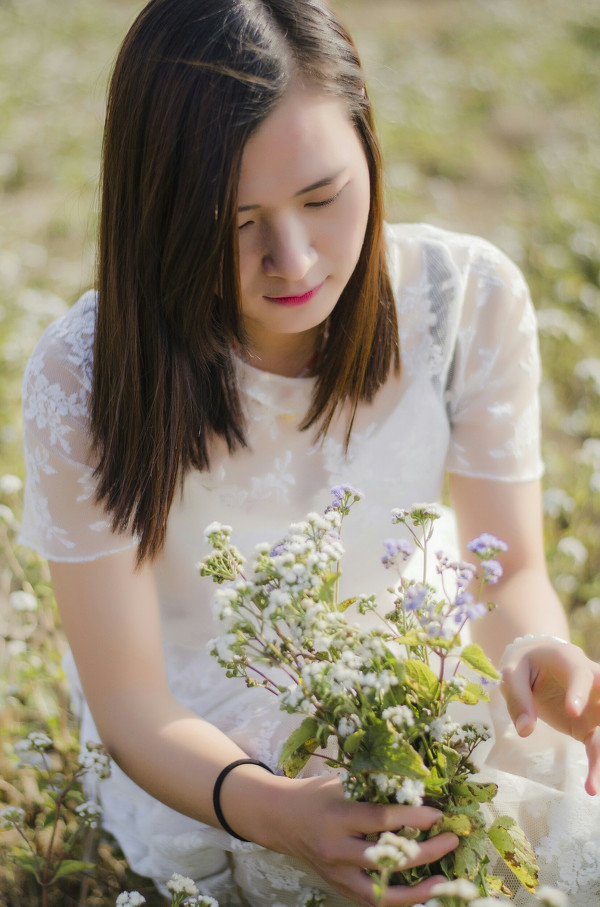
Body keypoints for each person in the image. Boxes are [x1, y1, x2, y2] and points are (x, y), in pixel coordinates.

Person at [18, 1, 600, 904]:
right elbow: (132, 701)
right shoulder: (87, 375)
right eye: (233, 220)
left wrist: (533, 644)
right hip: (208, 737)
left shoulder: (466, 298)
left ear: (369, 151)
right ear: (156, 212)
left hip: (415, 649)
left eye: (324, 198)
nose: (292, 260)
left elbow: (508, 565)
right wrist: (274, 807)